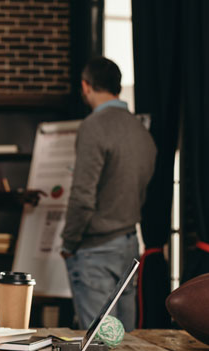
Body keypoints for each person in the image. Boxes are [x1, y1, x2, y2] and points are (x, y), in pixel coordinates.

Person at [60, 57, 156, 332]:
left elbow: (82, 195)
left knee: (98, 347)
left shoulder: (94, 126)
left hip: (95, 248)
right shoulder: (140, 129)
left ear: (85, 86)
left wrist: (69, 244)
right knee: (125, 343)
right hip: (128, 243)